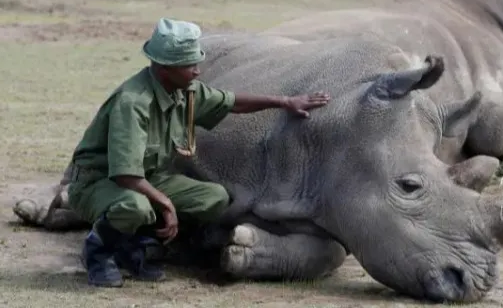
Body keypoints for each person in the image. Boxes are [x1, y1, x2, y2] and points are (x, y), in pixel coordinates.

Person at [66, 18, 331, 288]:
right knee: (135, 206)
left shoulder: (184, 92)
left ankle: (135, 244)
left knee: (213, 197)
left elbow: (231, 103)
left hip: (147, 178)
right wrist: (166, 204)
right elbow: (125, 175)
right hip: (99, 181)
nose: (197, 70)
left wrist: (285, 102)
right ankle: (98, 251)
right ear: (166, 68)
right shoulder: (133, 103)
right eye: (189, 64)